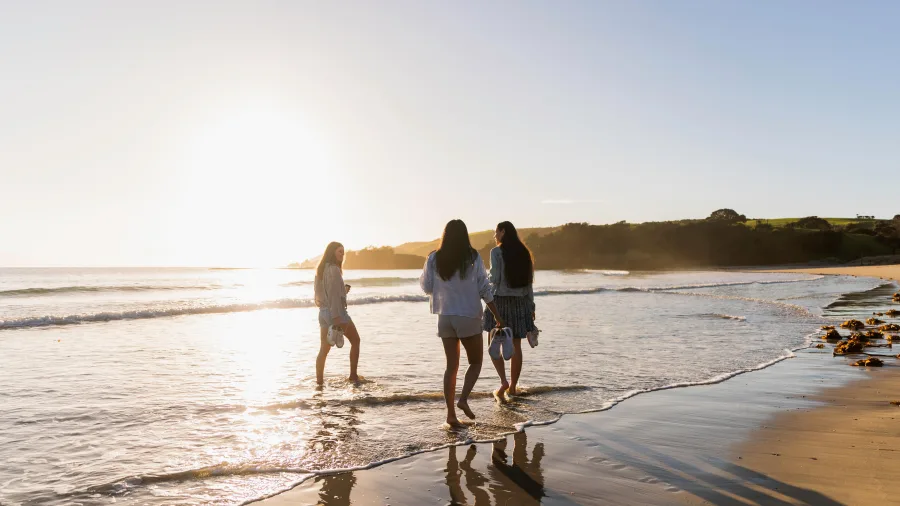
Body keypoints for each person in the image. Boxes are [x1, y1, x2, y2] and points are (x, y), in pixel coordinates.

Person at [420, 219, 505, 427]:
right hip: (468, 316)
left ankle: (450, 416)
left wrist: (443, 290)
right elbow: (485, 289)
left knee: (451, 367)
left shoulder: (434, 258)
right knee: (475, 362)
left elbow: (426, 286)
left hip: (445, 317)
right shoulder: (473, 257)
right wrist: (498, 316)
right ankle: (463, 399)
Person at [483, 221, 536, 400]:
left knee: (493, 341)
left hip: (500, 301)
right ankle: (513, 387)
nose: (494, 236)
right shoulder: (524, 253)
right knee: (516, 345)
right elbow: (529, 283)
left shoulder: (496, 252)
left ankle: (503, 381)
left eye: (496, 232)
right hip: (520, 302)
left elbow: (495, 278)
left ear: (503, 231)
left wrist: (485, 278)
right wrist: (531, 306)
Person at [314, 242, 361, 385]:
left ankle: (319, 382)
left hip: (323, 313)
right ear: (332, 252)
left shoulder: (320, 270)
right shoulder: (334, 270)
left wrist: (343, 291)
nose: (342, 254)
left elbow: (321, 295)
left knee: (324, 349)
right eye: (339, 251)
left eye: (343, 252)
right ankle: (353, 376)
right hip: (337, 313)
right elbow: (334, 296)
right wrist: (336, 318)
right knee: (356, 341)